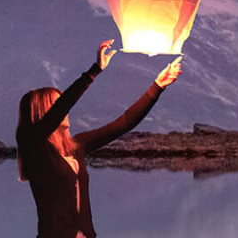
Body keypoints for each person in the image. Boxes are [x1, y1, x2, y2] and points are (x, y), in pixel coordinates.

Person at [16, 39, 183, 238]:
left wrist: (157, 86)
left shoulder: (76, 146)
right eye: (57, 104)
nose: (65, 111)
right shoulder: (34, 147)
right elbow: (64, 105)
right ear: (42, 113)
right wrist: (94, 71)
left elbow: (124, 122)